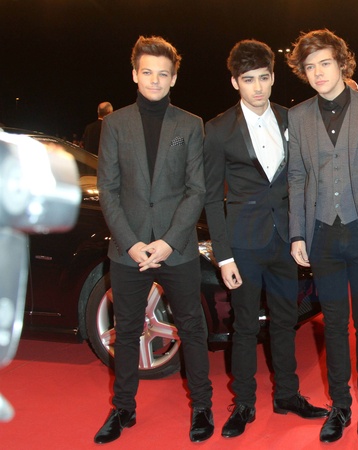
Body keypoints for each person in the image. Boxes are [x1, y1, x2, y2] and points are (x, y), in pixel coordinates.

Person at [202, 39, 328, 439]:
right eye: (248, 80)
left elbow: (304, 179)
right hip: (243, 243)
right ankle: (243, 403)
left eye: (263, 77)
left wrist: (303, 233)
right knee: (244, 325)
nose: (257, 87)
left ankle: (287, 395)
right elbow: (211, 197)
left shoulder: (292, 119)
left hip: (286, 239)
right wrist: (224, 256)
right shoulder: (218, 130)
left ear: (273, 77)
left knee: (286, 321)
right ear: (235, 82)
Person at [285, 29, 358, 443]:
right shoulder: (298, 116)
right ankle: (340, 406)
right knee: (334, 325)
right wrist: (297, 234)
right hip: (321, 236)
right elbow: (296, 178)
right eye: (310, 66)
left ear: (341, 63)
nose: (318, 72)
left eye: (325, 63)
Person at [95, 36, 213, 444]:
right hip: (127, 249)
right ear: (135, 74)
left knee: (192, 328)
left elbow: (196, 190)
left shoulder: (190, 124)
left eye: (163, 73)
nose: (155, 80)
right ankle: (123, 409)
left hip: (175, 248)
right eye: (147, 72)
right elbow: (108, 190)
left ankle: (202, 407)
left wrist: (168, 241)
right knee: (127, 332)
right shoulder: (115, 124)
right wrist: (130, 243)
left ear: (174, 78)